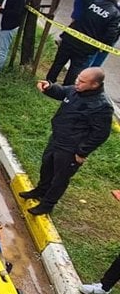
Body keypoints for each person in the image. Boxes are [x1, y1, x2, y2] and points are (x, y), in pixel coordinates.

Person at [21, 68, 113, 215]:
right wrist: (49, 87)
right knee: (47, 167)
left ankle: (47, 204)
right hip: (57, 139)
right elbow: (63, 91)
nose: (77, 82)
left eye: (82, 81)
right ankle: (41, 190)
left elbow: (101, 133)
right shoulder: (76, 90)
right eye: (78, 78)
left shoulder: (101, 106)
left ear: (94, 85)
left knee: (60, 177)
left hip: (71, 148)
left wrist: (82, 151)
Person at [45, 0, 120, 85]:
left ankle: (48, 82)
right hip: (86, 47)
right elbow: (111, 34)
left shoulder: (92, 1)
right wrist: (102, 46)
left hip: (70, 38)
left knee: (58, 62)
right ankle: (65, 90)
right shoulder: (115, 14)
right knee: (75, 69)